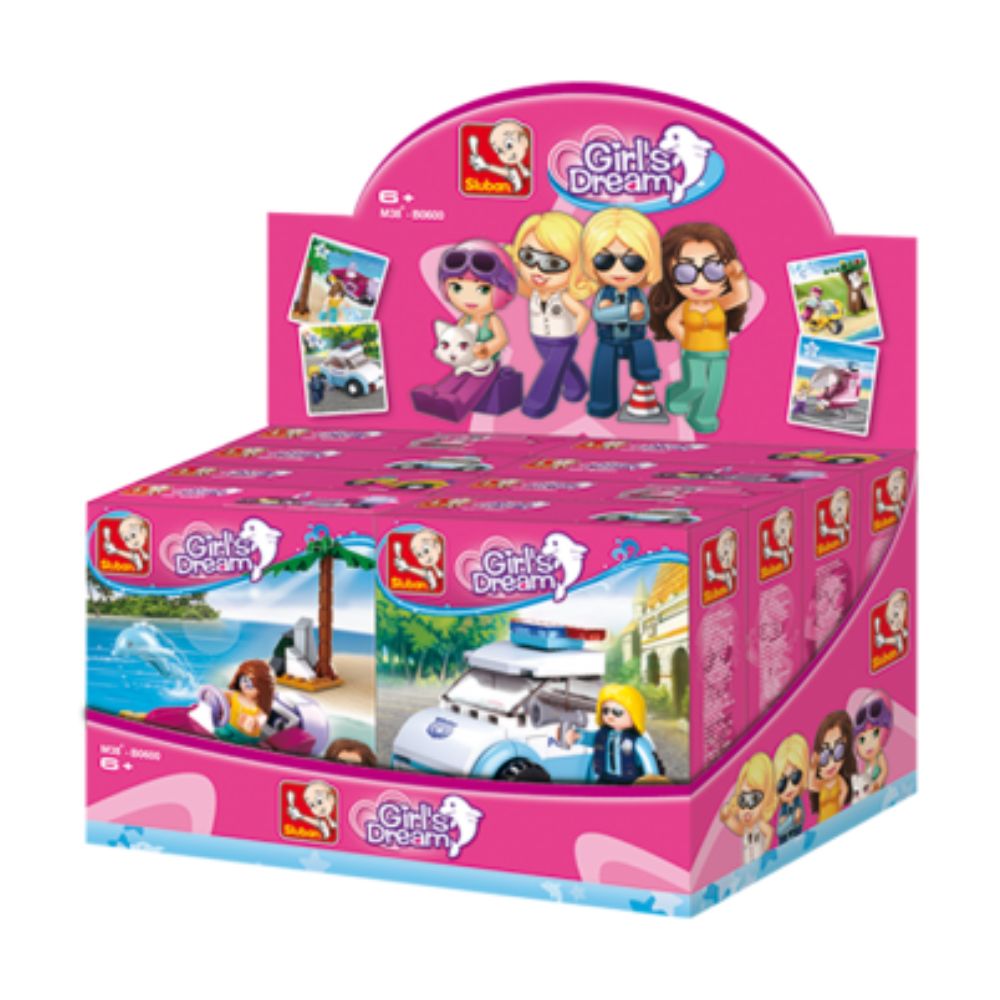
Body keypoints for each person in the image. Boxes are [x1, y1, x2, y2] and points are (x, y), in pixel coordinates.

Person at [649, 222, 752, 433]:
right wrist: (686, 339)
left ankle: (702, 415)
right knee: (696, 384)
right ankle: (677, 394)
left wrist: (738, 278)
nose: (701, 282)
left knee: (714, 387)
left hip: (719, 352)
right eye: (685, 273)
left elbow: (741, 296)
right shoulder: (685, 307)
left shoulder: (718, 304)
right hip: (693, 352)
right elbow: (672, 322)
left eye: (713, 270)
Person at [507, 211, 596, 418]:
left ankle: (539, 402)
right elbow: (514, 284)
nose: (537, 270)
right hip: (539, 337)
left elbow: (583, 313)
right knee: (560, 366)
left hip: (563, 339)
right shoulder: (534, 292)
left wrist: (574, 334)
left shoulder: (563, 296)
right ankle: (576, 387)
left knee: (551, 371)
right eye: (529, 257)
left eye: (553, 264)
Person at [581, 208, 663, 419]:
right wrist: (626, 311)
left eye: (633, 262)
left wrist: (626, 312)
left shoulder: (637, 293)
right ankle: (602, 403)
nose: (619, 270)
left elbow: (644, 316)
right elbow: (599, 315)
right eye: (605, 261)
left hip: (634, 339)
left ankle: (645, 373)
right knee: (602, 369)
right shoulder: (605, 292)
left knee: (644, 349)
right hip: (608, 341)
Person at [564, 683, 660, 784]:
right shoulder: (603, 735)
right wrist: (578, 736)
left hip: (628, 782)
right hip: (604, 779)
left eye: (617, 712)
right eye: (605, 711)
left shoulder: (637, 741)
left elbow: (648, 761)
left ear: (634, 713)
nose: (610, 716)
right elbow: (592, 738)